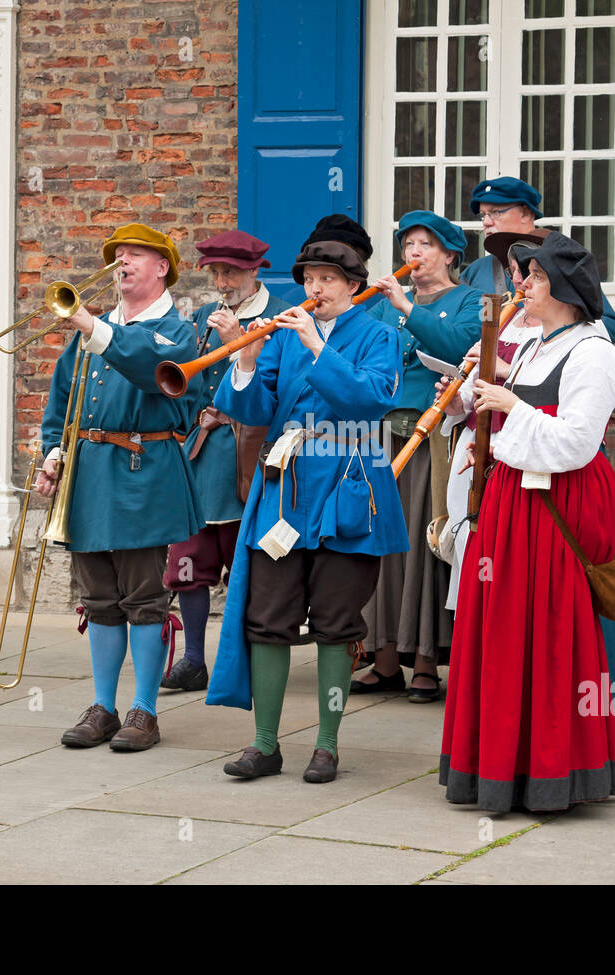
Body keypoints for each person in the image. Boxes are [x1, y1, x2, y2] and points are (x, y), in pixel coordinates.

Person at [207, 215, 409, 784]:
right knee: (267, 618)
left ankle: (326, 745)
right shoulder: (281, 335)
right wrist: (242, 358)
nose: (314, 290)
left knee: (338, 624)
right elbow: (253, 412)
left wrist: (317, 346)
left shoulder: (379, 334)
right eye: (308, 279)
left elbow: (370, 401)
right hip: (285, 491)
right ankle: (265, 744)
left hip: (351, 485)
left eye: (326, 279)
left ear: (352, 284)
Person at [440, 233, 615, 813]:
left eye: (535, 277)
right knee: (499, 631)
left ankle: (550, 772)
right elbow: (503, 422)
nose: (521, 285)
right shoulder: (533, 346)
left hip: (555, 505)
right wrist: (478, 426)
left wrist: (511, 412)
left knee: (546, 631)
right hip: (511, 499)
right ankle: (496, 766)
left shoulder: (594, 354)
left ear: (567, 290)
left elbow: (576, 442)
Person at [38, 223, 203, 752]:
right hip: (88, 473)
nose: (122, 262)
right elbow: (61, 400)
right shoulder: (93, 329)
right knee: (100, 598)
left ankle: (145, 710)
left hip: (144, 473)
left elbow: (150, 367)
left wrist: (92, 326)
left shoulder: (177, 330)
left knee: (146, 599)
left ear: (162, 268)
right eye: (117, 255)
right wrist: (53, 452)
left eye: (135, 254)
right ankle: (104, 707)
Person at [352, 210, 482, 703]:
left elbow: (461, 346)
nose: (414, 253)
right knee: (383, 544)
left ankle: (426, 660)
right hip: (384, 434)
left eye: (426, 244)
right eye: (409, 243)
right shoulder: (382, 306)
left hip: (435, 436)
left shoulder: (469, 300)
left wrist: (407, 306)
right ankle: (384, 659)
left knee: (427, 540)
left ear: (449, 254)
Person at [160, 231, 290, 692]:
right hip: (201, 449)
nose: (222, 281)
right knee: (189, 558)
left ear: (255, 270)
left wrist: (240, 342)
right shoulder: (199, 317)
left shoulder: (279, 319)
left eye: (230, 272)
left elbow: (276, 387)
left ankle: (246, 658)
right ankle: (194, 658)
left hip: (251, 448)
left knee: (248, 561)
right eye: (215, 272)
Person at [460, 175, 615, 340]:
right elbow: (463, 327)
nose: (486, 222)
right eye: (483, 215)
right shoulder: (476, 270)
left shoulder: (560, 260)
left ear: (525, 213)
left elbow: (607, 326)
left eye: (495, 212)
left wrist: (535, 338)